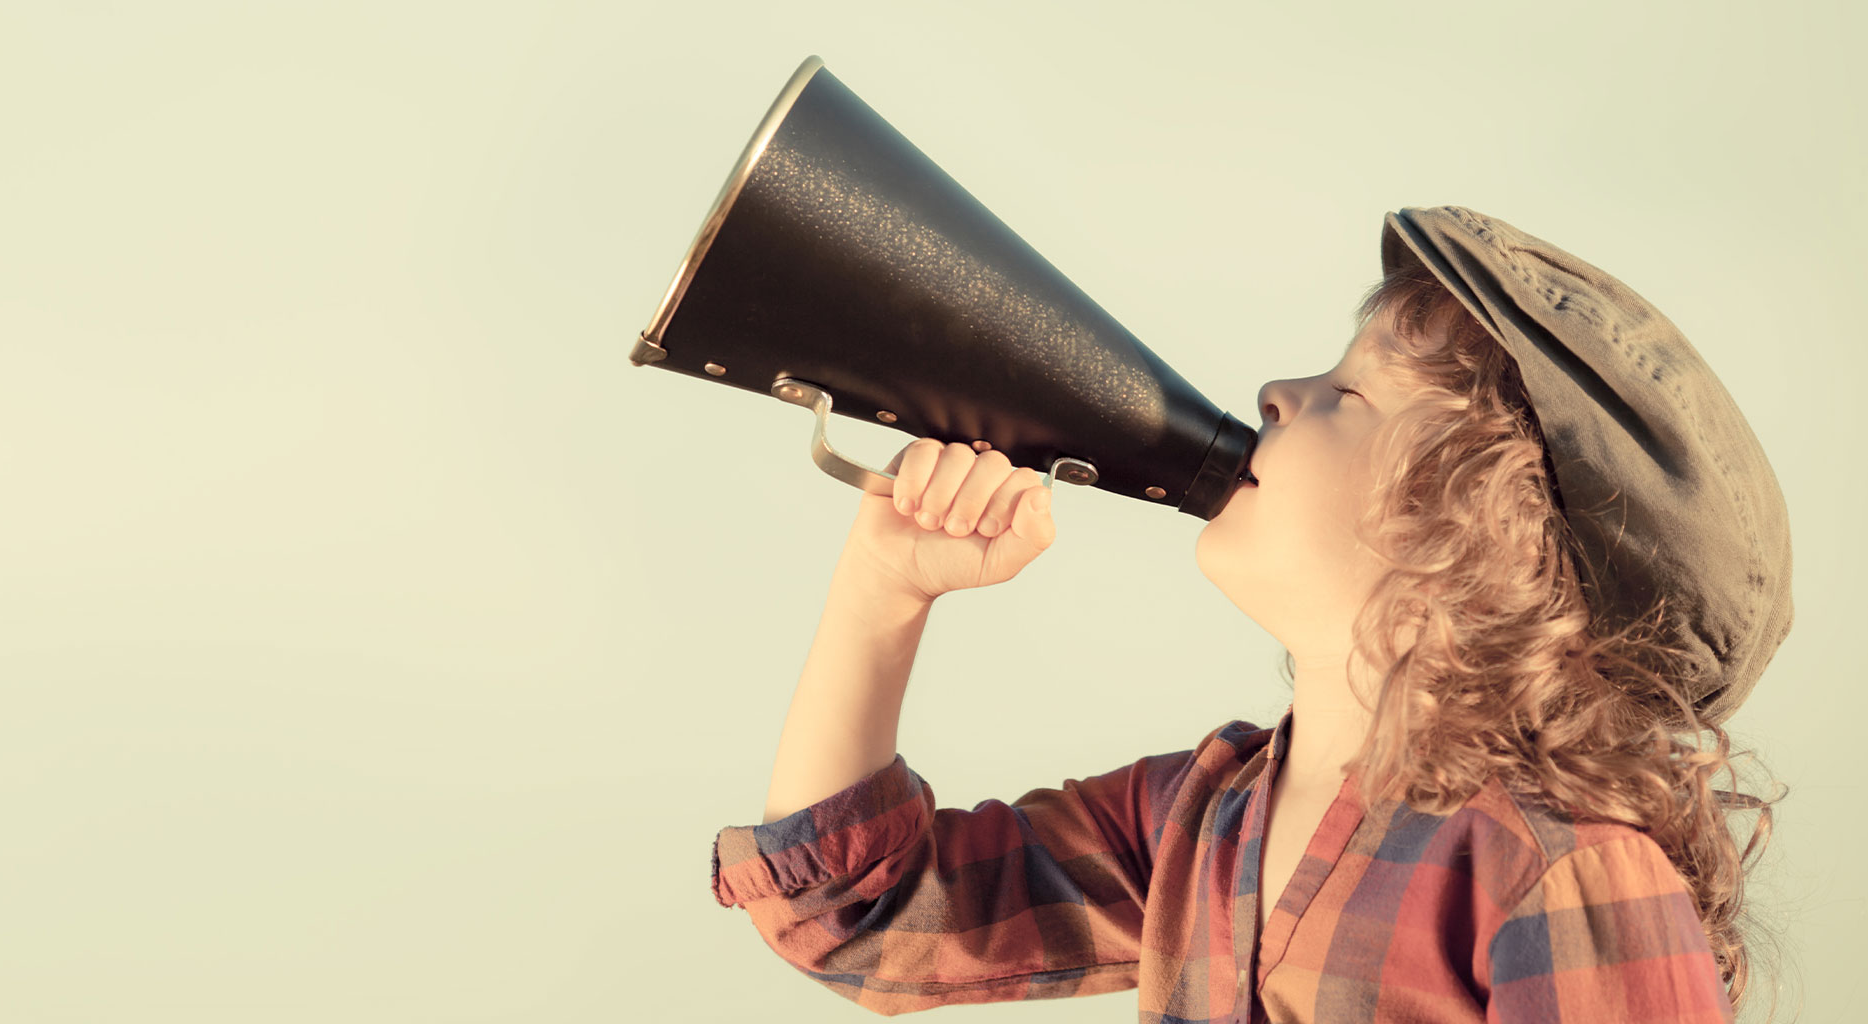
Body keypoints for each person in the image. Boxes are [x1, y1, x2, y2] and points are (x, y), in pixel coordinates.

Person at [708, 206, 1789, 1022]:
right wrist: (882, 589)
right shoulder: (1201, 815)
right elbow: (859, 920)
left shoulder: (1559, 871)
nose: (1275, 389)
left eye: (1346, 393)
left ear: (1471, 537)